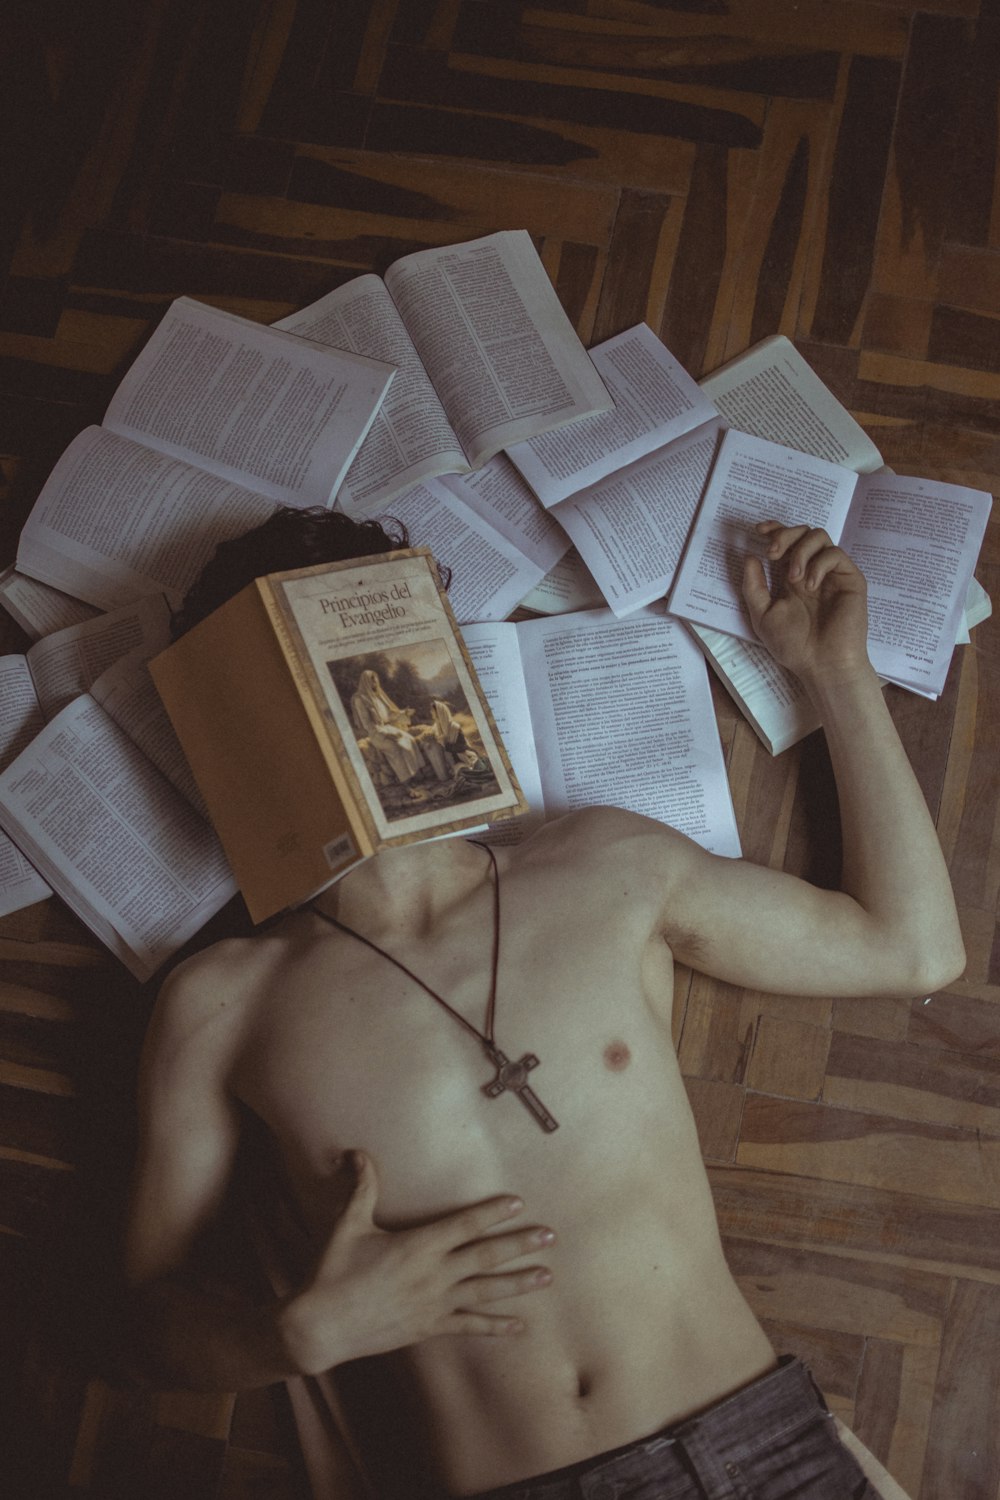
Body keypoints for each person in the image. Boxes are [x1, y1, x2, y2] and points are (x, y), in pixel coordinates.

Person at [124, 506, 965, 1500]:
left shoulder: (606, 867)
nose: (369, 707)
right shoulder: (223, 1003)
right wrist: (298, 1334)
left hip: (766, 1454)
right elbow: (139, 1326)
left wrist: (834, 670)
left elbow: (910, 948)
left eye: (394, 653)